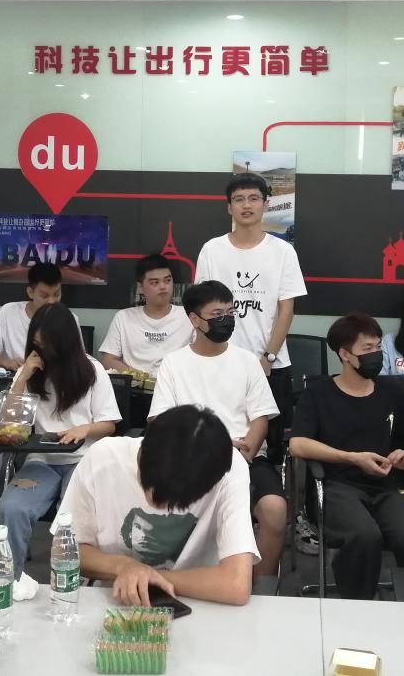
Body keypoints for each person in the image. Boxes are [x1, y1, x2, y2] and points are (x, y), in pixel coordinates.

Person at [289, 314, 404, 600]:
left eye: (378, 347)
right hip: (335, 486)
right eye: (367, 349)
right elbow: (297, 444)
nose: (376, 355)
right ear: (344, 354)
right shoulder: (318, 394)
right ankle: (358, 602)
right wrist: (351, 458)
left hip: (384, 487)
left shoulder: (392, 391)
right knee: (365, 536)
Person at [149, 281, 285, 577]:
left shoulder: (248, 361)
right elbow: (161, 422)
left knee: (275, 510)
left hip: (246, 458)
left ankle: (260, 587)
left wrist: (243, 455)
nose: (226, 319)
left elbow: (260, 419)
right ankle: (183, 578)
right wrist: (211, 448)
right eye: (217, 314)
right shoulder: (173, 364)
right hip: (190, 459)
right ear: (195, 320)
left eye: (230, 312)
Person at [59, 404, 257, 606]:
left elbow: (236, 585)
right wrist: (122, 566)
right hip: (115, 602)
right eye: (148, 486)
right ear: (141, 453)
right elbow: (65, 552)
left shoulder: (227, 470)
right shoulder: (103, 459)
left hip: (199, 603)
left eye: (173, 501)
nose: (156, 503)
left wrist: (143, 576)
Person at [0, 302, 120, 566]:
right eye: (37, 344)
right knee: (11, 508)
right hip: (42, 460)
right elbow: (9, 421)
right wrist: (23, 376)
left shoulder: (92, 370)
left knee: (71, 518)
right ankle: (10, 579)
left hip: (82, 460)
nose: (43, 351)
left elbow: (109, 424)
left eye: (49, 345)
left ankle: (67, 580)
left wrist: (85, 429)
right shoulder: (30, 371)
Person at [194, 173, 306, 461]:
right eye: (239, 199)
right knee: (216, 439)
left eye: (254, 198)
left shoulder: (283, 252)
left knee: (271, 450)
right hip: (220, 362)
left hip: (270, 365)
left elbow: (286, 310)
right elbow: (201, 307)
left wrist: (268, 358)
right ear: (229, 207)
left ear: (266, 204)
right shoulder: (212, 249)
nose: (247, 205)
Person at [99, 253, 191, 376]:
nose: (163, 286)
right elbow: (108, 360)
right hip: (136, 386)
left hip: (177, 385)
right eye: (155, 282)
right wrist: (142, 379)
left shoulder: (189, 316)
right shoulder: (124, 317)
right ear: (140, 287)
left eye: (167, 280)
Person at [0, 263, 78, 371]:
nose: (51, 302)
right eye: (44, 296)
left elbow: (79, 361)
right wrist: (7, 363)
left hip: (56, 379)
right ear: (30, 292)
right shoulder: (8, 312)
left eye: (56, 294)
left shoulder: (69, 318)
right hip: (18, 377)